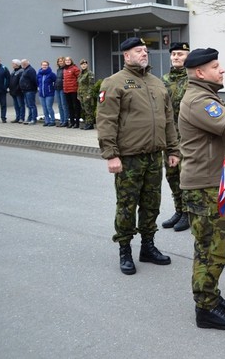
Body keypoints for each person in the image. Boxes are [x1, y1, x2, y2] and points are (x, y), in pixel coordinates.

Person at [96, 37, 180, 276]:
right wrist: (111, 155)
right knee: (126, 205)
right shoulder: (114, 83)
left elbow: (168, 120)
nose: (144, 54)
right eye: (138, 51)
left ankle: (148, 246)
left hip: (154, 156)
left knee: (151, 204)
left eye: (145, 50)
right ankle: (125, 250)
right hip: (129, 157)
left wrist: (173, 150)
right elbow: (106, 121)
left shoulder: (157, 83)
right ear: (126, 56)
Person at [178, 47, 225, 330]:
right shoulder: (198, 101)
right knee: (210, 248)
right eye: (216, 66)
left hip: (213, 181)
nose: (221, 70)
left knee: (212, 246)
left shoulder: (206, 96)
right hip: (205, 185)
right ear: (200, 73)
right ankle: (205, 308)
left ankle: (211, 295)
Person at [160, 42, 191, 232]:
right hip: (170, 137)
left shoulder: (194, 78)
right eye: (173, 54)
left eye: (180, 54)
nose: (176, 57)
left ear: (188, 56)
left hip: (188, 137)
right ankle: (178, 210)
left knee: (185, 175)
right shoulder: (163, 80)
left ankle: (188, 212)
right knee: (172, 175)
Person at [36, 60, 57, 126]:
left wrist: (51, 88)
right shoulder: (39, 74)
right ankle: (47, 121)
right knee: (44, 108)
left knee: (49, 107)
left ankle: (52, 121)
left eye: (46, 65)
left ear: (48, 66)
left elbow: (56, 81)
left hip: (49, 94)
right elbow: (37, 82)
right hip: (41, 94)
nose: (44, 66)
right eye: (43, 65)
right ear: (41, 66)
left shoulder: (51, 74)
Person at [63, 56, 81, 129]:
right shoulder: (64, 69)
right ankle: (72, 122)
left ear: (71, 61)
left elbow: (79, 78)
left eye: (69, 60)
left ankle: (77, 123)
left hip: (74, 90)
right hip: (67, 90)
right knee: (70, 107)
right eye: (66, 60)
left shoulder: (75, 68)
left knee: (76, 106)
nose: (67, 61)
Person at [77, 59, 96, 130]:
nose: (83, 65)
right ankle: (87, 123)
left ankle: (90, 124)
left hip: (87, 94)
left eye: (85, 64)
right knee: (84, 109)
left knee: (88, 110)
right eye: (82, 64)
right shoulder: (80, 74)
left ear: (87, 65)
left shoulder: (89, 73)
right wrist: (78, 94)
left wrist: (89, 95)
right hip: (81, 94)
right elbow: (79, 85)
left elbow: (91, 85)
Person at [19, 59, 38, 125]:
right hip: (25, 90)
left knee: (32, 105)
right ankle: (29, 118)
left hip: (30, 90)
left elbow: (34, 80)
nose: (22, 65)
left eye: (22, 64)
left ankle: (33, 119)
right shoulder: (25, 70)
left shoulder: (30, 70)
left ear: (25, 63)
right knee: (29, 105)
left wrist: (33, 88)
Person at [9, 59, 25, 123]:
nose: (12, 65)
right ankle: (17, 117)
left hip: (18, 92)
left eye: (13, 63)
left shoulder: (21, 71)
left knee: (20, 105)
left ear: (16, 64)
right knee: (16, 106)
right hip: (13, 91)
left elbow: (20, 82)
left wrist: (18, 89)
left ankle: (21, 118)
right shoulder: (13, 71)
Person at [54, 57, 69, 127]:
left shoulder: (65, 69)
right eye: (59, 61)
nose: (60, 62)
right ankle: (62, 120)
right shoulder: (58, 70)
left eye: (61, 61)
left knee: (64, 105)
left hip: (63, 88)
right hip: (57, 88)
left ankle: (66, 120)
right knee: (59, 105)